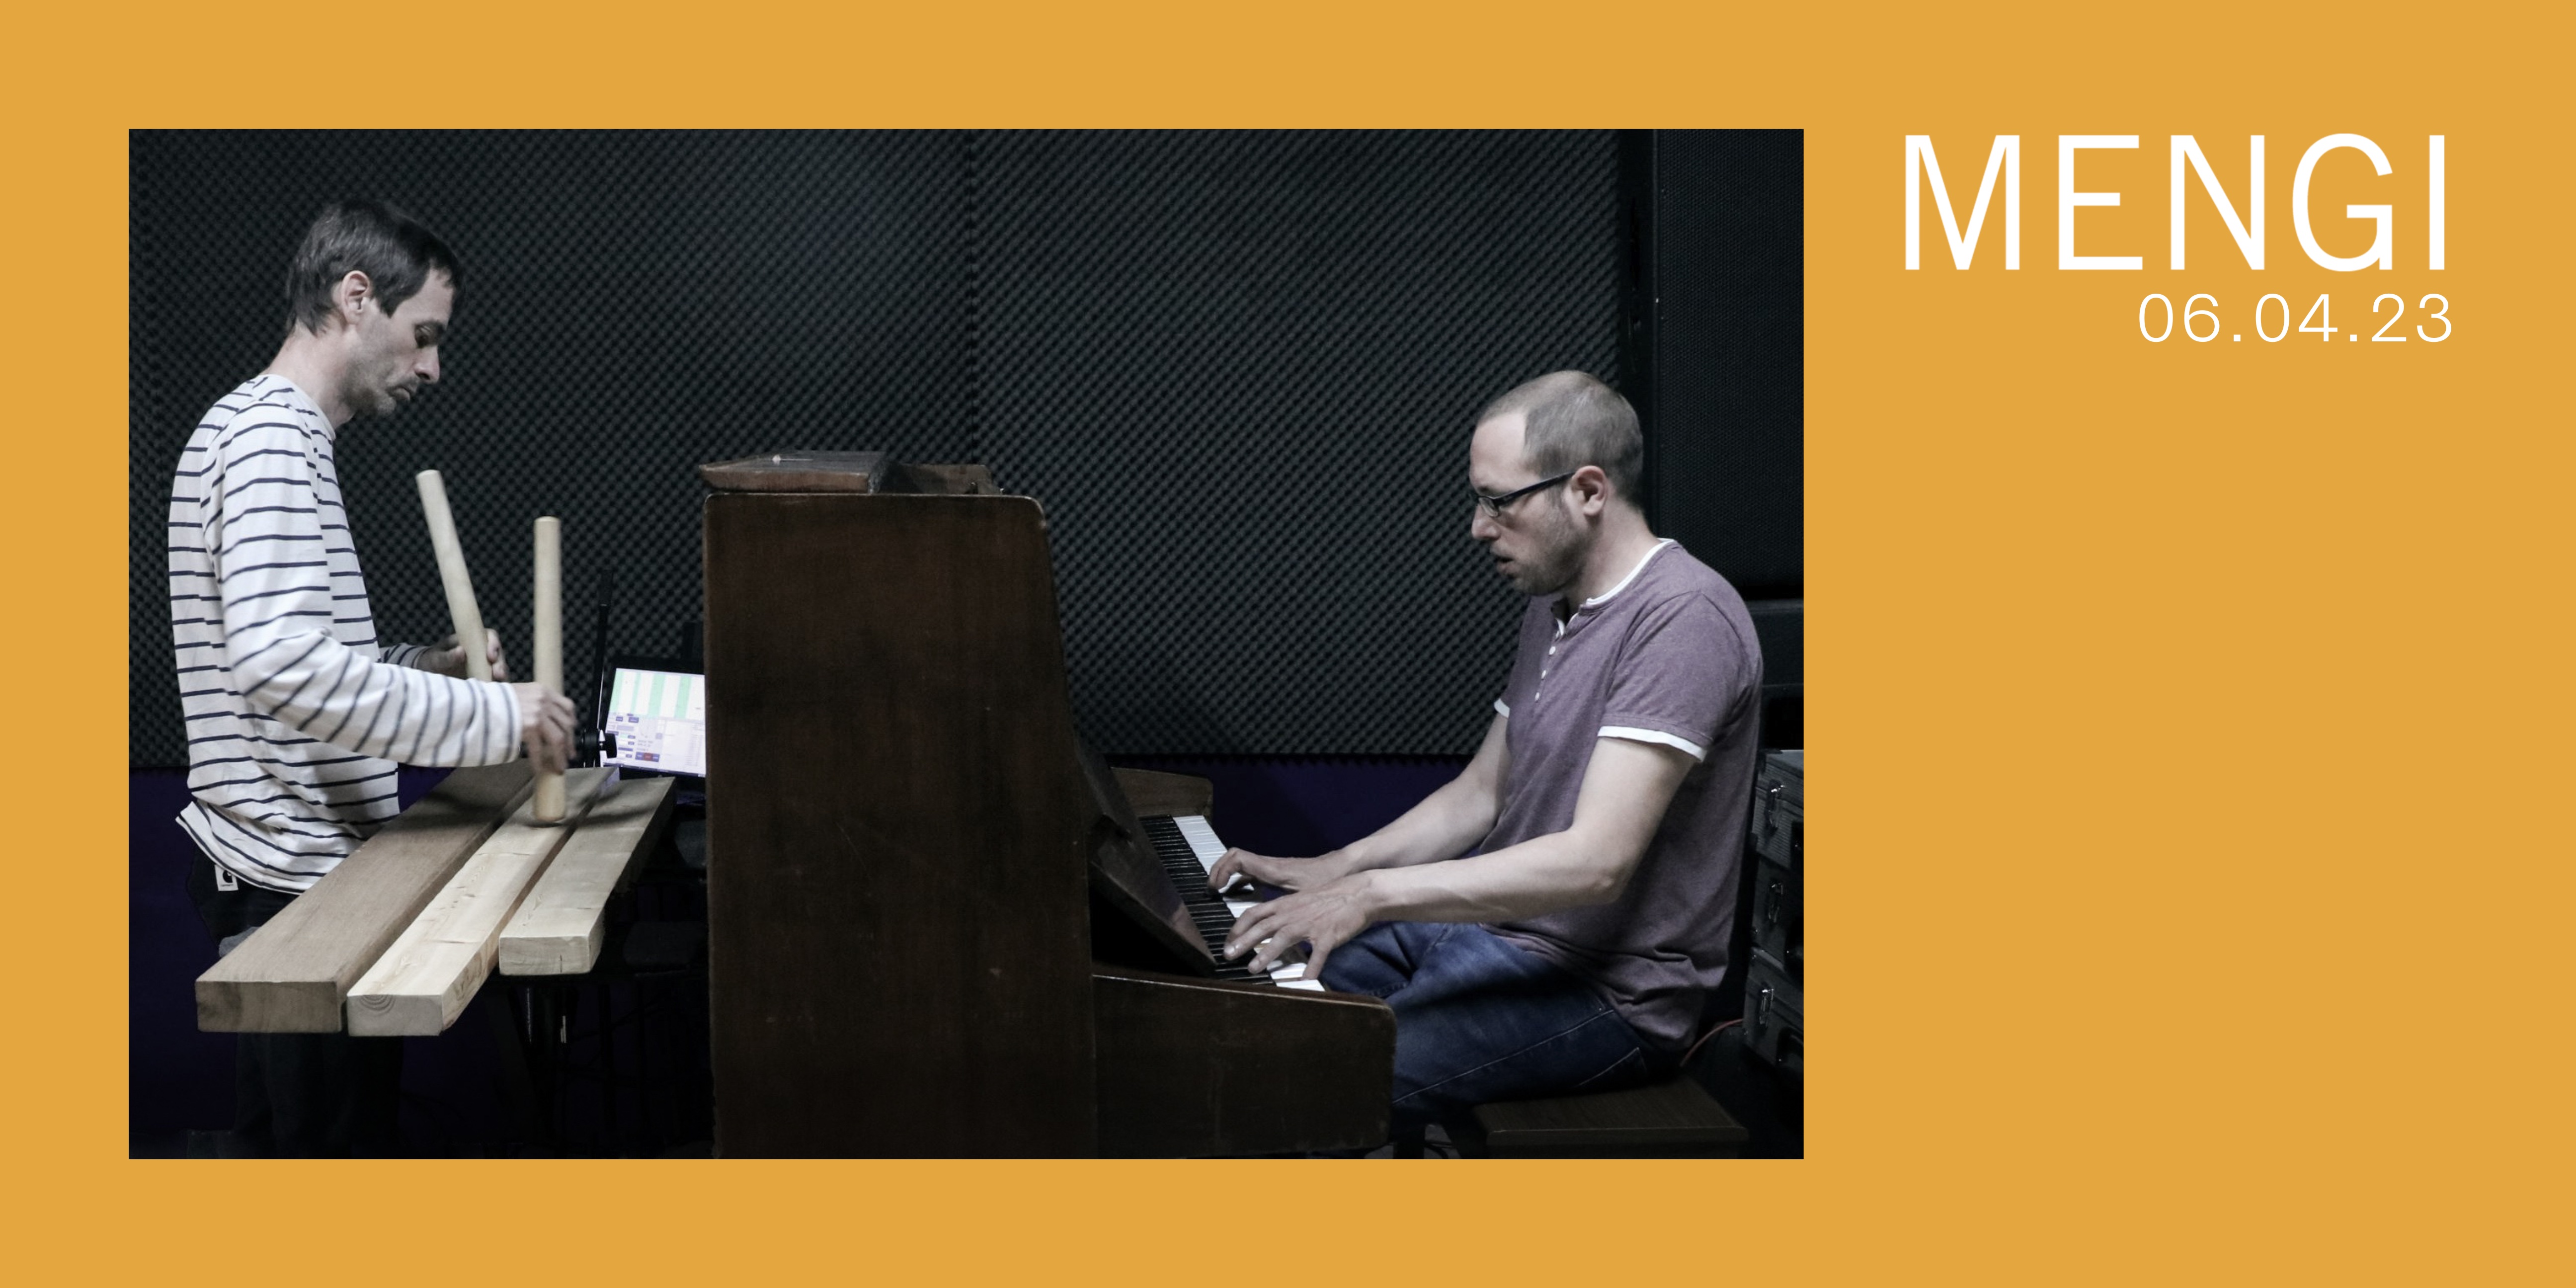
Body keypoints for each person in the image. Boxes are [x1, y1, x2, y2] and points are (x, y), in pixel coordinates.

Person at [1209, 370, 1763, 1137]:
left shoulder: (1684, 619)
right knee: (1236, 998)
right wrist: (1338, 868)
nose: (1478, 527)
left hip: (1605, 992)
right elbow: (1480, 793)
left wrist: (1373, 893)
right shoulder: (1555, 601)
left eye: (1499, 502)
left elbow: (1595, 863)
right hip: (1493, 938)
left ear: (1590, 492)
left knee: (1309, 1080)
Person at [165, 199, 576, 1155]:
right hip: (289, 884)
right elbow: (280, 668)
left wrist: (428, 667)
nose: (434, 366)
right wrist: (495, 716)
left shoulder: (286, 437)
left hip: (303, 876)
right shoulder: (268, 438)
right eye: (424, 335)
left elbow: (299, 662)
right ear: (357, 299)